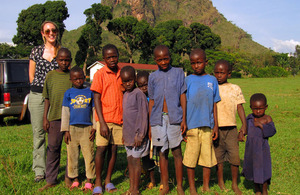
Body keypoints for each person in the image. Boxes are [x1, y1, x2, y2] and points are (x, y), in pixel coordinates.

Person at [148, 45, 186, 195]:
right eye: (160, 60)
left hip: (175, 117)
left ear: (170, 57)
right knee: (162, 152)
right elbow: (151, 100)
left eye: (166, 58)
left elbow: (182, 95)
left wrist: (184, 119)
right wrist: (151, 124)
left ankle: (180, 186)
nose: (163, 62)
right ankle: (165, 184)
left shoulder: (178, 73)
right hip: (158, 119)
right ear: (155, 60)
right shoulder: (153, 77)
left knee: (177, 151)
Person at [183, 48, 220, 194]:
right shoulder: (187, 80)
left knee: (207, 157)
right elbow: (183, 104)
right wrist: (184, 124)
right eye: (193, 63)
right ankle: (192, 187)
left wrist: (216, 126)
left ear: (206, 62)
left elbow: (215, 103)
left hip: (207, 126)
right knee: (190, 158)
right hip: (191, 126)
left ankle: (206, 186)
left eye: (199, 62)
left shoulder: (212, 80)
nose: (196, 66)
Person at [28, 21, 60, 182]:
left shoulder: (61, 51)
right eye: (47, 31)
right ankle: (39, 171)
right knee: (39, 133)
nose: (51, 33)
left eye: (53, 30)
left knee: (55, 134)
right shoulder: (36, 51)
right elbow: (31, 76)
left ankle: (52, 168)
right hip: (37, 95)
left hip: (55, 98)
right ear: (42, 33)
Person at [90, 44, 123, 195]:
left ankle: (108, 180)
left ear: (118, 56)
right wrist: (101, 123)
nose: (112, 59)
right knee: (101, 149)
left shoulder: (122, 73)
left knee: (114, 149)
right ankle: (98, 181)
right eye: (108, 57)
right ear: (104, 59)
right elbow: (96, 98)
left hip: (119, 119)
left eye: (114, 56)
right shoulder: (100, 74)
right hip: (105, 119)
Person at [39, 48, 72, 191]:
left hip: (71, 120)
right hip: (54, 118)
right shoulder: (51, 76)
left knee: (71, 149)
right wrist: (45, 117)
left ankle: (69, 177)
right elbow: (46, 98)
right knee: (53, 148)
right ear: (57, 60)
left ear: (70, 60)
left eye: (67, 60)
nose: (64, 63)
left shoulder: (73, 76)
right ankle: (51, 179)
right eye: (61, 60)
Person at [213, 60, 247, 194]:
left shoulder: (235, 88)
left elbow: (240, 107)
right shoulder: (213, 87)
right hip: (217, 128)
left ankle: (234, 183)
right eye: (216, 72)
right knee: (218, 157)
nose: (219, 75)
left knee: (234, 157)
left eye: (222, 73)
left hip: (231, 128)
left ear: (229, 73)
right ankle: (220, 182)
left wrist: (244, 125)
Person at [61, 66, 96, 192]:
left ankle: (89, 180)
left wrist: (94, 127)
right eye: (75, 79)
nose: (78, 81)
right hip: (72, 129)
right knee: (72, 155)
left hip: (87, 128)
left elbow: (94, 110)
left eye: (81, 78)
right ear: (71, 79)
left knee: (89, 154)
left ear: (84, 77)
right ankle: (75, 179)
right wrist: (66, 130)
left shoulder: (90, 92)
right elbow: (65, 112)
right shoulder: (68, 93)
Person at [121, 66, 150, 195]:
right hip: (128, 135)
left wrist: (140, 135)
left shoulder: (139, 94)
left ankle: (136, 189)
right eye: (125, 81)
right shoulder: (125, 94)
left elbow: (143, 116)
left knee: (137, 162)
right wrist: (124, 134)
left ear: (135, 79)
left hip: (137, 136)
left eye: (130, 80)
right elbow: (126, 117)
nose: (128, 83)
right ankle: (131, 188)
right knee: (131, 162)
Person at [242, 93, 276, 195]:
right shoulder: (249, 118)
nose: (257, 111)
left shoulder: (267, 119)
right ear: (251, 107)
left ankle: (264, 190)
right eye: (255, 108)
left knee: (263, 170)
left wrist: (261, 126)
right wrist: (241, 133)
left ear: (266, 107)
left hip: (262, 149)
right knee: (253, 169)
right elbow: (246, 129)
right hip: (251, 149)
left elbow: (272, 131)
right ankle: (257, 189)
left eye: (260, 108)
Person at [136, 71, 156, 189]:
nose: (144, 88)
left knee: (150, 156)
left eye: (146, 85)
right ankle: (147, 175)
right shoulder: (138, 97)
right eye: (141, 85)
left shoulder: (153, 97)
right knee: (144, 156)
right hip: (142, 130)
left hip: (152, 129)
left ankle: (153, 180)